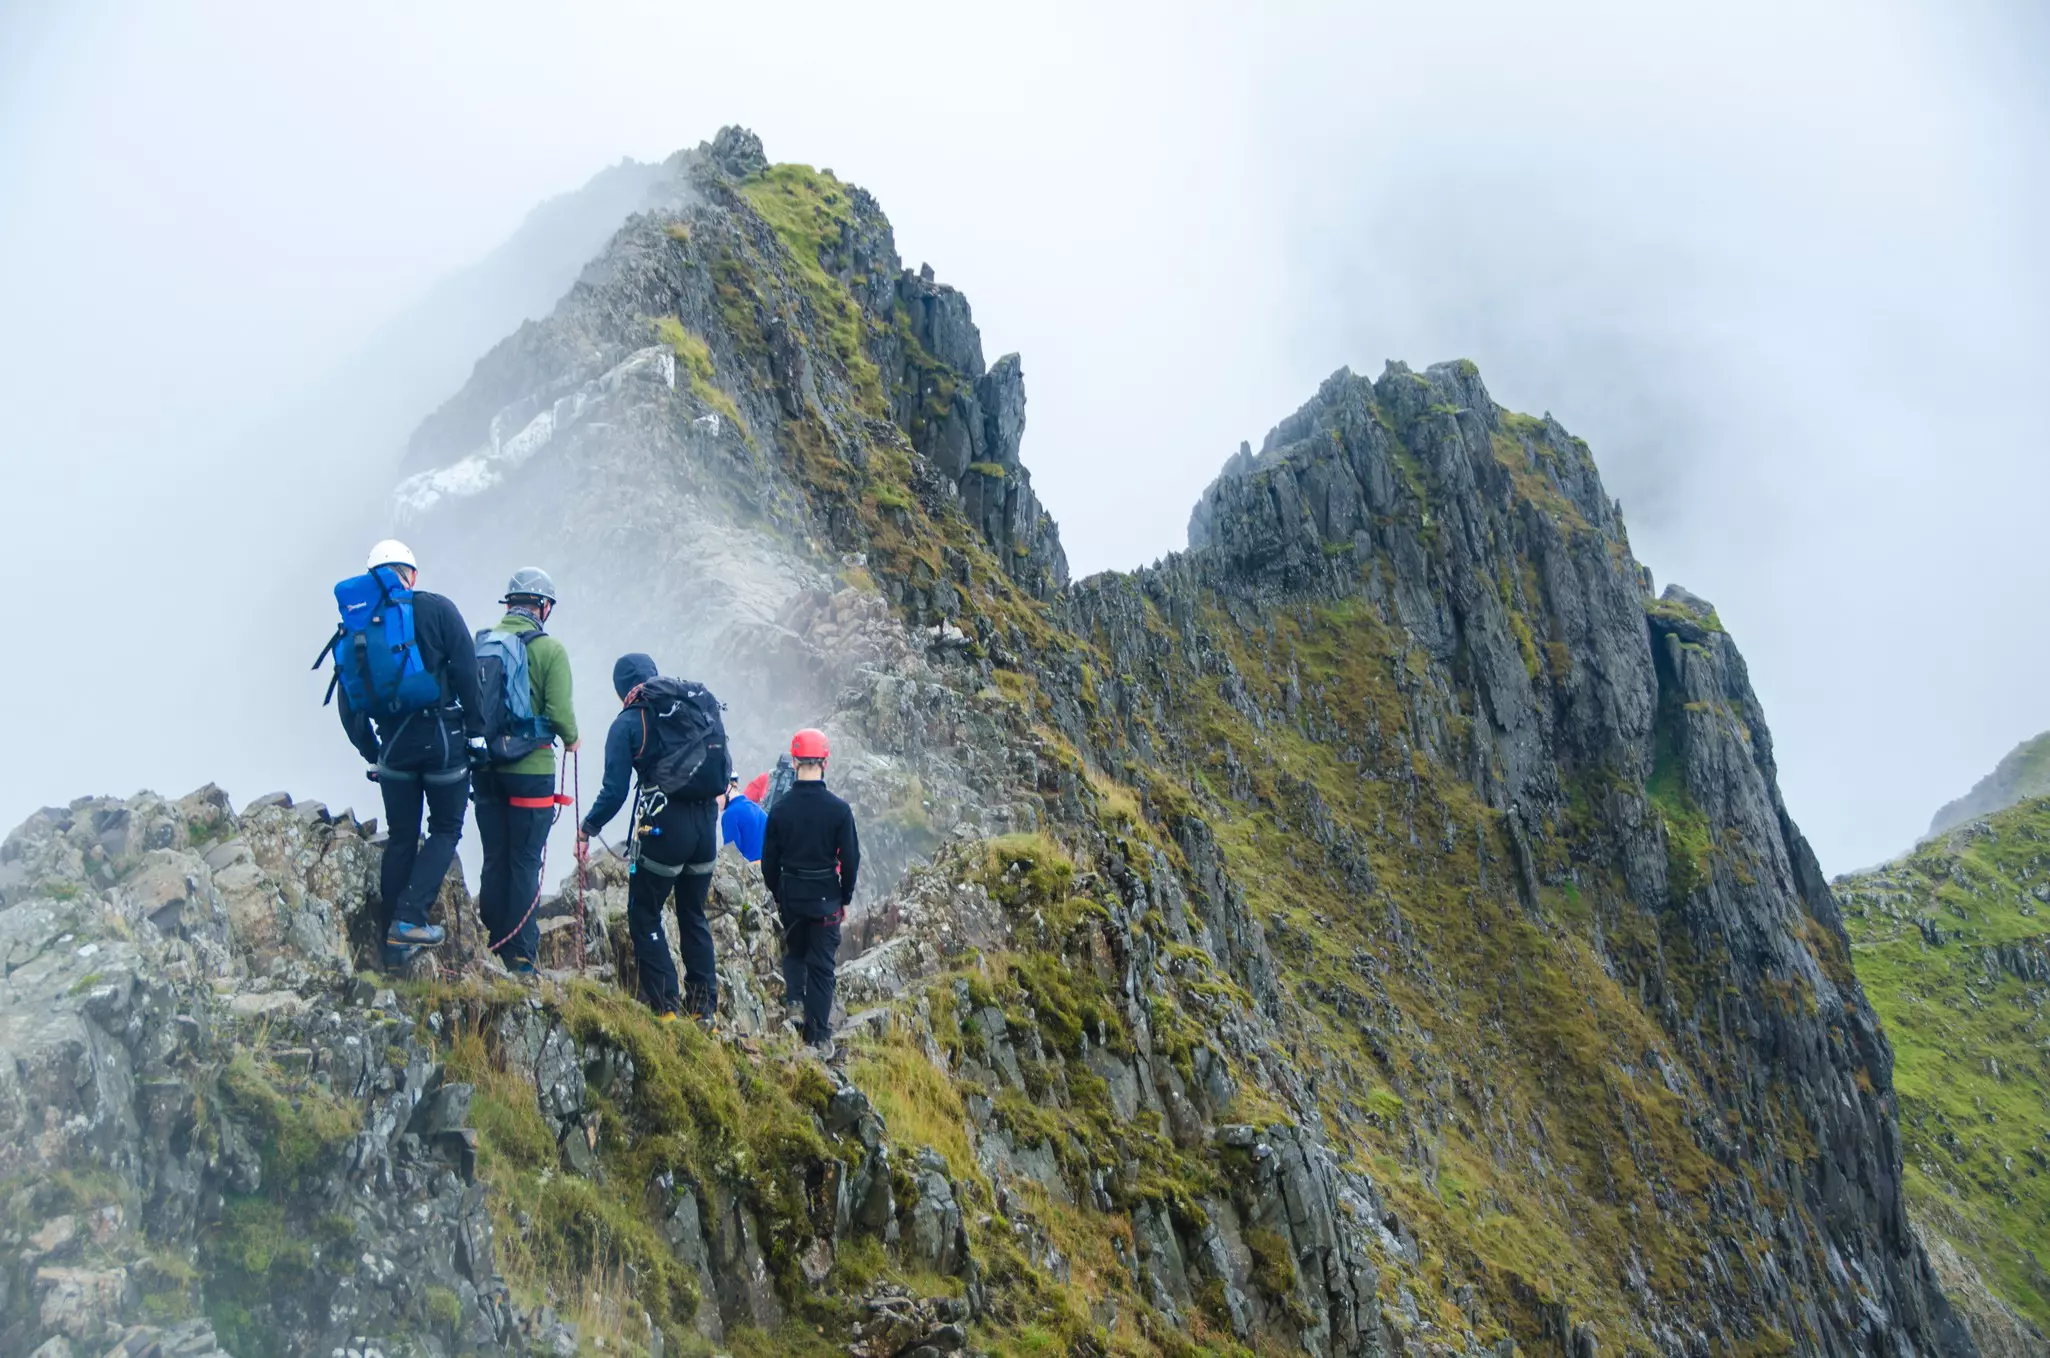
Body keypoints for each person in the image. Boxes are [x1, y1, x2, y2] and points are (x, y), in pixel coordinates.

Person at [327, 540, 485, 969]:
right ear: (410, 574)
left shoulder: (356, 628)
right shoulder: (436, 609)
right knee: (446, 828)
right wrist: (476, 733)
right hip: (442, 739)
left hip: (392, 747)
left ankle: (387, 946)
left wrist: (373, 751)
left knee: (401, 837)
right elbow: (467, 671)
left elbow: (349, 704)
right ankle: (409, 920)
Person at [578, 654, 732, 1021]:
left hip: (665, 828)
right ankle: (704, 1011)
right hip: (705, 825)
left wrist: (587, 829)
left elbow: (615, 791)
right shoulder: (692, 707)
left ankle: (666, 1009)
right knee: (693, 913)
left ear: (621, 689)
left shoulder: (629, 722)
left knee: (645, 913)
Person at [472, 568, 577, 975]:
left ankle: (491, 940)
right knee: (525, 860)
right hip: (531, 768)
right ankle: (521, 955)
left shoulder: (483, 642)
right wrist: (573, 738)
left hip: (486, 767)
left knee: (495, 856)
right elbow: (561, 715)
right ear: (543, 607)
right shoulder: (551, 651)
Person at [760, 728, 859, 1055]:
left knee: (795, 951)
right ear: (825, 762)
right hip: (826, 899)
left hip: (792, 895)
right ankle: (818, 1038)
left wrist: (779, 892)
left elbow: (769, 861)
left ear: (795, 760)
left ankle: (794, 1005)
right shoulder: (839, 810)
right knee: (822, 966)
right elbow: (851, 858)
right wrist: (844, 897)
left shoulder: (781, 808)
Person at [719, 774, 767, 864]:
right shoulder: (759, 810)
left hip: (748, 874)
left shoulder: (730, 815)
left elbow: (731, 858)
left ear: (728, 788)